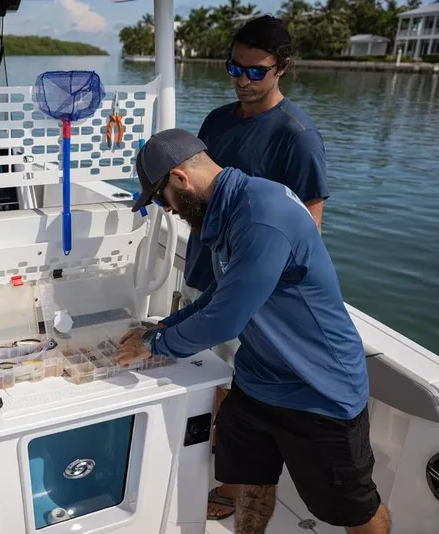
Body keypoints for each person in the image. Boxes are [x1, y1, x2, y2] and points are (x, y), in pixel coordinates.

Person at [118, 128, 390, 534]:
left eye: (161, 198)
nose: (168, 210)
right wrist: (164, 326)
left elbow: (225, 319)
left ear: (180, 178)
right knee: (250, 480)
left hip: (317, 390)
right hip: (258, 380)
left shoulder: (262, 215)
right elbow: (221, 293)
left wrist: (154, 344)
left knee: (355, 511)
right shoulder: (227, 209)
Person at [183, 15, 330, 521]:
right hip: (202, 267)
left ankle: (231, 482)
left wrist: (258, 288)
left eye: (254, 72)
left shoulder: (298, 137)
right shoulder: (217, 121)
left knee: (237, 386)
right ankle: (207, 458)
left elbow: (308, 227)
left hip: (251, 290)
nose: (242, 81)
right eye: (234, 68)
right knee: (205, 376)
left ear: (282, 67)